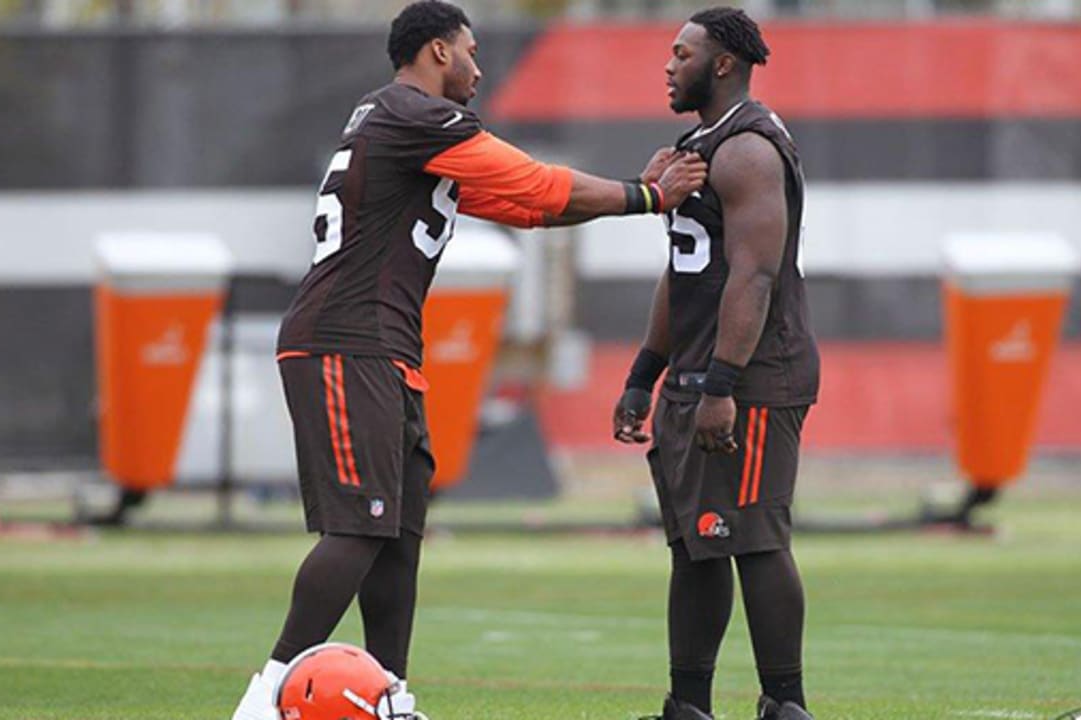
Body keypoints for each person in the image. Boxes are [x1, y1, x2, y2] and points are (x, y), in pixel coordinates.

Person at [230, 2, 707, 719]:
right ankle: (263, 699)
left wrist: (626, 196)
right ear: (437, 52)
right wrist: (646, 196)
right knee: (361, 525)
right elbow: (541, 183)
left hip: (383, 347)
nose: (480, 68)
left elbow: (528, 206)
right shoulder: (415, 114)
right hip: (345, 341)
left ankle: (387, 696)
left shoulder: (394, 123)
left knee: (396, 537)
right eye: (470, 51)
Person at [612, 8, 820, 720]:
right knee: (697, 546)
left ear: (722, 63)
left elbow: (754, 276)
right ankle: (689, 707)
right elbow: (685, 272)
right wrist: (646, 372)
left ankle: (785, 705)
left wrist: (723, 384)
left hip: (752, 378)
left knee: (755, 540)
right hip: (697, 374)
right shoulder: (694, 148)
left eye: (682, 53)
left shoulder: (750, 149)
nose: (668, 65)